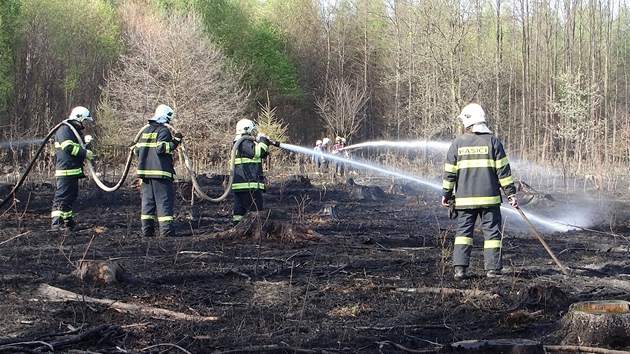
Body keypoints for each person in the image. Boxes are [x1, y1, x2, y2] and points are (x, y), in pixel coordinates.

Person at [441, 103, 518, 281]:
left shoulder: (457, 143)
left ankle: (460, 270)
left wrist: (446, 195)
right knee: (492, 234)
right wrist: (511, 194)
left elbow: (449, 173)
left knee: (463, 234)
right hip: (490, 200)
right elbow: (504, 172)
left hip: (464, 200)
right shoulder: (493, 142)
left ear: (467, 121)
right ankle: (492, 270)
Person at [133, 104, 182, 237]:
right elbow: (161, 148)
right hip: (160, 173)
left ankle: (147, 231)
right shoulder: (163, 131)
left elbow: (136, 150)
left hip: (145, 174)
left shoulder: (145, 131)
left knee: (148, 202)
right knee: (164, 201)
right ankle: (166, 232)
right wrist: (176, 141)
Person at [50, 106, 95, 231]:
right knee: (62, 197)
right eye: (85, 120)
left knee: (70, 197)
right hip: (65, 170)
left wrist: (86, 144)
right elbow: (68, 148)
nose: (86, 123)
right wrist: (84, 153)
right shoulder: (65, 129)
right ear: (79, 117)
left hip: (73, 171)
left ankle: (67, 221)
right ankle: (56, 224)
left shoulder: (73, 131)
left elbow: (77, 146)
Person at [231, 119, 271, 224]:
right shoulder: (244, 142)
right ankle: (256, 231)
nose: (254, 133)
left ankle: (238, 229)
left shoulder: (238, 143)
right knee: (255, 211)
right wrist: (263, 141)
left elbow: (258, 154)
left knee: (239, 211)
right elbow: (257, 152)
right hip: (249, 184)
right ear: (247, 130)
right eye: (253, 130)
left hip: (240, 184)